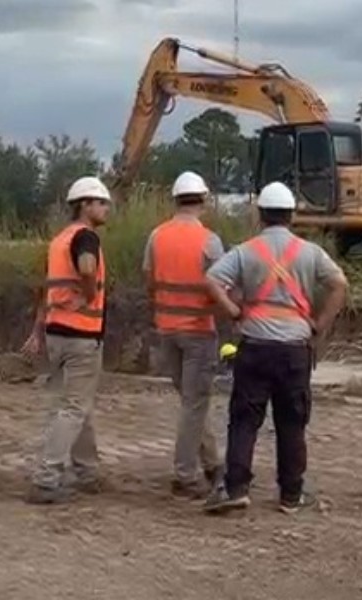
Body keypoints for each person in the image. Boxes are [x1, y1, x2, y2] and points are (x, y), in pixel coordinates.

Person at [202, 181, 348, 515]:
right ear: (292, 215)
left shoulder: (245, 250)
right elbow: (339, 284)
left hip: (255, 346)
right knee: (291, 422)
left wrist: (233, 311)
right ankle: (291, 495)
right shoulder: (310, 252)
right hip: (295, 349)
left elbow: (211, 279)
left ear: (260, 215)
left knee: (244, 420)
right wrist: (319, 323)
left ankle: (236, 488)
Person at [21, 175, 112, 504]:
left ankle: (88, 472)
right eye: (101, 203)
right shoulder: (86, 238)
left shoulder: (59, 240)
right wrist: (88, 295)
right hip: (81, 336)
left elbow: (48, 288)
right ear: (84, 205)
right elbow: (87, 269)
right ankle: (47, 477)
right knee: (74, 408)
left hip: (57, 332)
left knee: (77, 403)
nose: (106, 209)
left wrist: (37, 330)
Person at [142, 171, 225, 498]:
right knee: (194, 403)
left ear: (175, 200)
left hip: (167, 330)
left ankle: (212, 463)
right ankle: (185, 474)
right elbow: (222, 285)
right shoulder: (209, 240)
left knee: (192, 403)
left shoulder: (156, 236)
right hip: (198, 332)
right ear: (203, 200)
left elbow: (149, 279)